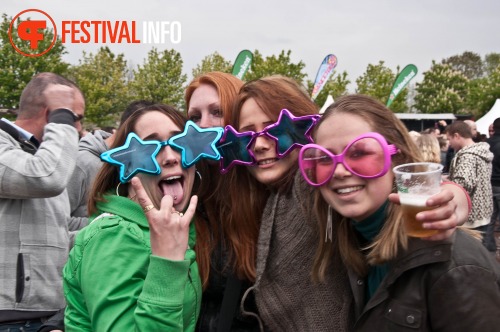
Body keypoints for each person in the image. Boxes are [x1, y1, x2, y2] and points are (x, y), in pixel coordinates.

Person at [226, 76, 471, 331]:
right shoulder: (253, 192)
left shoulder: (314, 179)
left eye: (275, 130)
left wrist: (452, 201)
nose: (261, 144)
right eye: (247, 136)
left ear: (304, 130)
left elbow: (393, 179)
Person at [298, 94, 500, 331]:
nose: (340, 170)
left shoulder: (455, 264)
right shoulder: (349, 244)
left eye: (359, 152)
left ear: (398, 159)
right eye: (324, 158)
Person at [63, 104, 201, 331]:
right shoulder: (114, 235)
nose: (170, 157)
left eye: (179, 143)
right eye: (151, 147)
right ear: (126, 166)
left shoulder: (172, 227)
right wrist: (167, 263)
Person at [0, 72, 85, 331]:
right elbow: (46, 177)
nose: (79, 130)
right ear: (51, 116)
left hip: (43, 318)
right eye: (76, 119)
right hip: (11, 321)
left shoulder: (40, 155)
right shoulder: (38, 162)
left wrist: (109, 226)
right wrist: (63, 114)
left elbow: (57, 232)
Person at [185, 72, 261, 331]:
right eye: (194, 117)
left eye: (216, 112)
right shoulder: (183, 194)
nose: (203, 125)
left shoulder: (265, 192)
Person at [67, 100, 155, 218]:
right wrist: (106, 227)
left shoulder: (133, 163)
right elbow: (59, 223)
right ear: (127, 131)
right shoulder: (82, 162)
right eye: (151, 140)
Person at [446, 120, 496, 252]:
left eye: (449, 139)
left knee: (470, 256)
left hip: (471, 215)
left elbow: (463, 184)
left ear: (457, 135)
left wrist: (446, 184)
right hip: (483, 210)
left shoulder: (467, 156)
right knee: (481, 253)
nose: (449, 144)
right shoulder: (482, 152)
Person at [487, 117, 500, 248]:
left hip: (489, 184)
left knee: (490, 219)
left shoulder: (486, 143)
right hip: (498, 184)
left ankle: (489, 247)